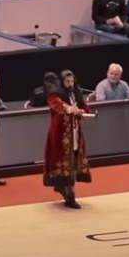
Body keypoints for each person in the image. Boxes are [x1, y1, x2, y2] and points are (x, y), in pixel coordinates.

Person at [43, 70, 91, 209]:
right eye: (67, 82)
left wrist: (83, 111)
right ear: (62, 82)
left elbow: (84, 106)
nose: (70, 84)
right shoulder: (55, 94)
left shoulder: (77, 93)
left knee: (73, 161)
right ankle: (70, 196)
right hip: (60, 135)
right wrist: (68, 108)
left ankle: (63, 188)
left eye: (72, 81)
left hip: (75, 133)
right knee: (64, 162)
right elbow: (56, 104)